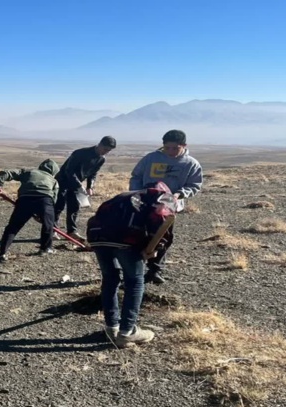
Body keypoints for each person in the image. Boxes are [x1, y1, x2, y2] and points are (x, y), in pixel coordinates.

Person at [86, 182, 177, 348]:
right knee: (134, 282)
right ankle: (127, 332)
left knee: (110, 279)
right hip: (127, 240)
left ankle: (112, 328)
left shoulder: (126, 196)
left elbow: (97, 216)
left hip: (98, 237)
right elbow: (163, 223)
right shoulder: (163, 197)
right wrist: (155, 249)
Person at [129, 129, 203, 284]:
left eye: (175, 148)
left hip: (170, 203)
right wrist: (137, 192)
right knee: (139, 234)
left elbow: (194, 185)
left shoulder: (191, 163)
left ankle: (155, 270)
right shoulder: (151, 158)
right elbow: (136, 176)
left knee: (163, 236)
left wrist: (179, 194)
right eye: (167, 148)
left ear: (184, 145)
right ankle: (134, 269)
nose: (170, 152)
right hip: (145, 200)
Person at [0, 159, 60, 261]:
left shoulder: (28, 172)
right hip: (45, 201)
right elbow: (54, 198)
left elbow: (5, 172)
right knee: (48, 225)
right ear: (54, 171)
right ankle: (46, 249)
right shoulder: (53, 180)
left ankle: (2, 253)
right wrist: (43, 215)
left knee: (13, 227)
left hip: (24, 200)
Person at [54, 136, 116, 240]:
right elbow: (69, 171)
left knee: (74, 207)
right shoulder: (80, 153)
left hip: (77, 185)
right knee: (58, 206)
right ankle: (53, 231)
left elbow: (93, 173)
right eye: (105, 149)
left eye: (109, 151)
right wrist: (79, 185)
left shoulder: (101, 159)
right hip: (63, 182)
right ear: (100, 144)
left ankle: (71, 231)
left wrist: (89, 187)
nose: (106, 152)